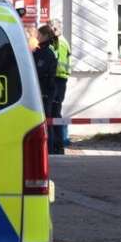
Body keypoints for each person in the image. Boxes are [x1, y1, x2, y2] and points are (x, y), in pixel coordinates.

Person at [37, 23, 71, 154]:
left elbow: (58, 64)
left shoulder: (59, 43)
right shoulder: (56, 43)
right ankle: (57, 145)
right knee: (53, 114)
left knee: (53, 115)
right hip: (56, 80)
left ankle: (57, 145)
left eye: (54, 28)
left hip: (57, 80)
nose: (53, 30)